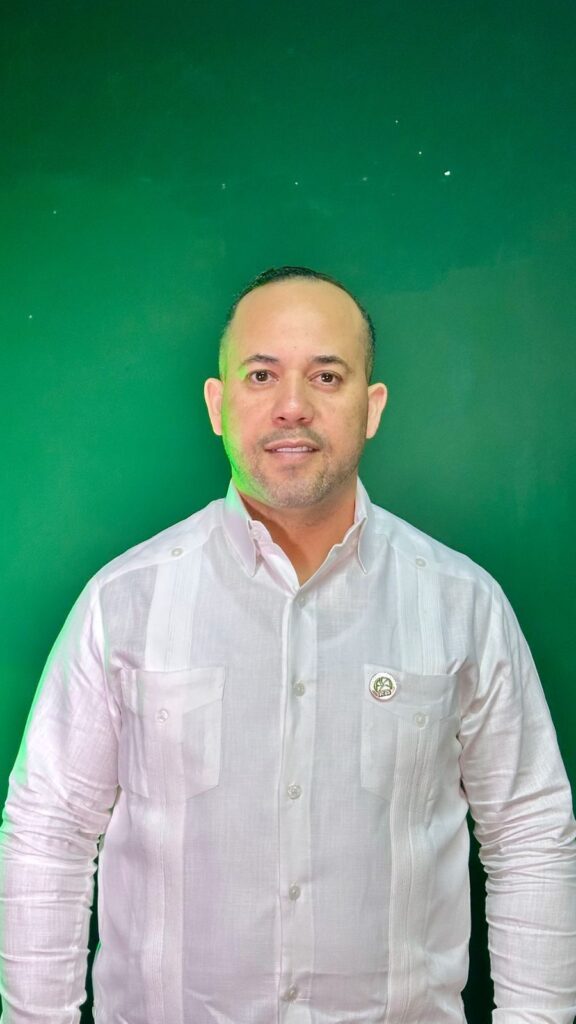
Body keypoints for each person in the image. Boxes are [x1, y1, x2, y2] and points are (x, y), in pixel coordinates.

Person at [0, 265, 575, 1024]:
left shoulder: (462, 604)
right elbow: (50, 831)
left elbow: (529, 831)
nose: (293, 405)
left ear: (372, 407)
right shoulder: (124, 602)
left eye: (327, 376)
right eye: (262, 374)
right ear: (218, 404)